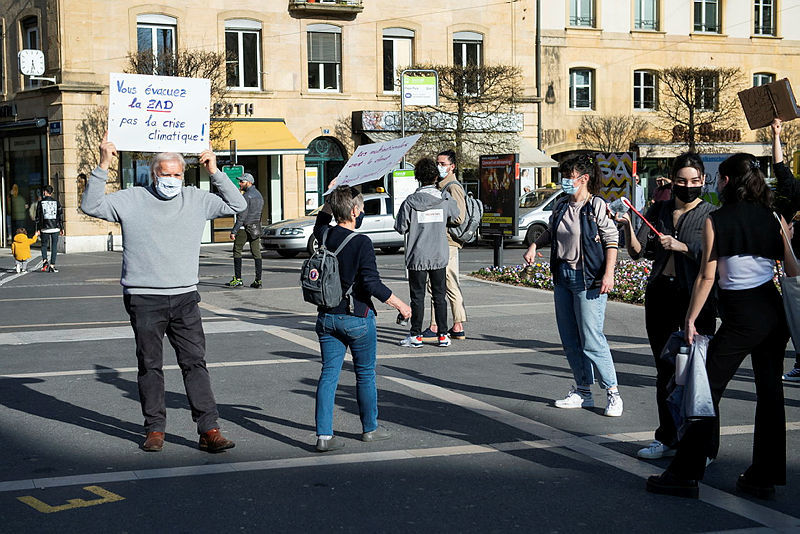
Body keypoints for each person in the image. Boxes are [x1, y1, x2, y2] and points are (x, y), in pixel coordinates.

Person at [81, 133, 246, 453]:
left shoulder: (197, 199)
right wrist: (103, 163)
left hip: (185, 297)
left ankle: (209, 428)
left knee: (195, 362)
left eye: (177, 174)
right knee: (150, 366)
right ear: (152, 174)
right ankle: (155, 429)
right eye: (165, 173)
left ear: (184, 176)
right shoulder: (131, 198)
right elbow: (91, 205)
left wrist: (215, 171)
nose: (171, 179)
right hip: (144, 299)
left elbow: (237, 205)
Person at [646, 153, 796, 500]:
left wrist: (689, 319)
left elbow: (707, 275)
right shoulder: (773, 216)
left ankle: (685, 473)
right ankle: (763, 476)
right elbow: (792, 270)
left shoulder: (718, 219)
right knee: (771, 393)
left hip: (741, 312)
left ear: (725, 181)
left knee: (704, 392)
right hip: (772, 310)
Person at [617, 153, 717, 459]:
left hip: (695, 299)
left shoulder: (711, 215)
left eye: (694, 181)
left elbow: (715, 260)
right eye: (681, 181)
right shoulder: (659, 209)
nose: (688, 186)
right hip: (661, 293)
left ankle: (702, 445)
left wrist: (683, 246)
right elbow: (639, 252)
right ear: (671, 181)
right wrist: (626, 228)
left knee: (698, 373)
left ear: (703, 181)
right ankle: (666, 437)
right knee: (664, 371)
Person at [312, 183, 411, 452]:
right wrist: (400, 304)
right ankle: (370, 429)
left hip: (326, 316)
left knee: (329, 374)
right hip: (357, 317)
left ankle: (323, 435)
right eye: (363, 208)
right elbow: (371, 284)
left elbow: (322, 219)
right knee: (365, 374)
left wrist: (331, 195)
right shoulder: (362, 242)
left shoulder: (323, 236)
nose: (363, 212)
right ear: (355, 211)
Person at [523, 153, 623, 417]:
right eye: (563, 178)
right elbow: (551, 230)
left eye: (569, 178)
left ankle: (612, 392)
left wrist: (609, 274)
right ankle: (583, 391)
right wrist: (535, 244)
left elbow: (611, 240)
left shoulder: (596, 206)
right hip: (563, 277)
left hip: (588, 278)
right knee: (570, 340)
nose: (565, 183)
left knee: (592, 339)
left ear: (584, 179)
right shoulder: (561, 206)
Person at [395, 157, 460, 348]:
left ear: (417, 178)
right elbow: (456, 217)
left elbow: (400, 227)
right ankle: (442, 335)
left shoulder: (410, 202)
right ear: (435, 176)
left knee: (417, 296)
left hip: (417, 256)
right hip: (439, 255)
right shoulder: (444, 199)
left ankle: (415, 335)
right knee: (439, 296)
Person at [420, 149, 467, 341]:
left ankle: (452, 325)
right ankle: (448, 325)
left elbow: (459, 217)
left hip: (448, 242)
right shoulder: (441, 186)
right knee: (438, 284)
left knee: (446, 283)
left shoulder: (452, 187)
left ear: (452, 166)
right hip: (442, 242)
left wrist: (439, 217)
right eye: (438, 163)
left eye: (443, 164)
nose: (439, 166)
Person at [771, 118, 800, 382]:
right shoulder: (796, 189)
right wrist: (776, 135)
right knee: (795, 312)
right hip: (796, 263)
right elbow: (780, 169)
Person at [226, 173, 264, 289]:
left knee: (237, 251)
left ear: (249, 182)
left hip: (244, 228)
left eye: (242, 182)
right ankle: (258, 280)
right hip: (255, 227)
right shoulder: (259, 195)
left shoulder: (246, 196)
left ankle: (238, 279)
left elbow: (242, 216)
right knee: (256, 253)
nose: (240, 183)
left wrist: (234, 231)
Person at [36, 185, 65, 273]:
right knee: (54, 246)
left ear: (45, 192)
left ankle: (45, 260)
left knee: (44, 245)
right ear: (51, 193)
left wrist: (38, 229)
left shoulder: (40, 203)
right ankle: (52, 265)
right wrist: (61, 227)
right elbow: (60, 215)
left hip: (44, 227)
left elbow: (37, 217)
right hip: (55, 227)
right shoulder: (56, 202)